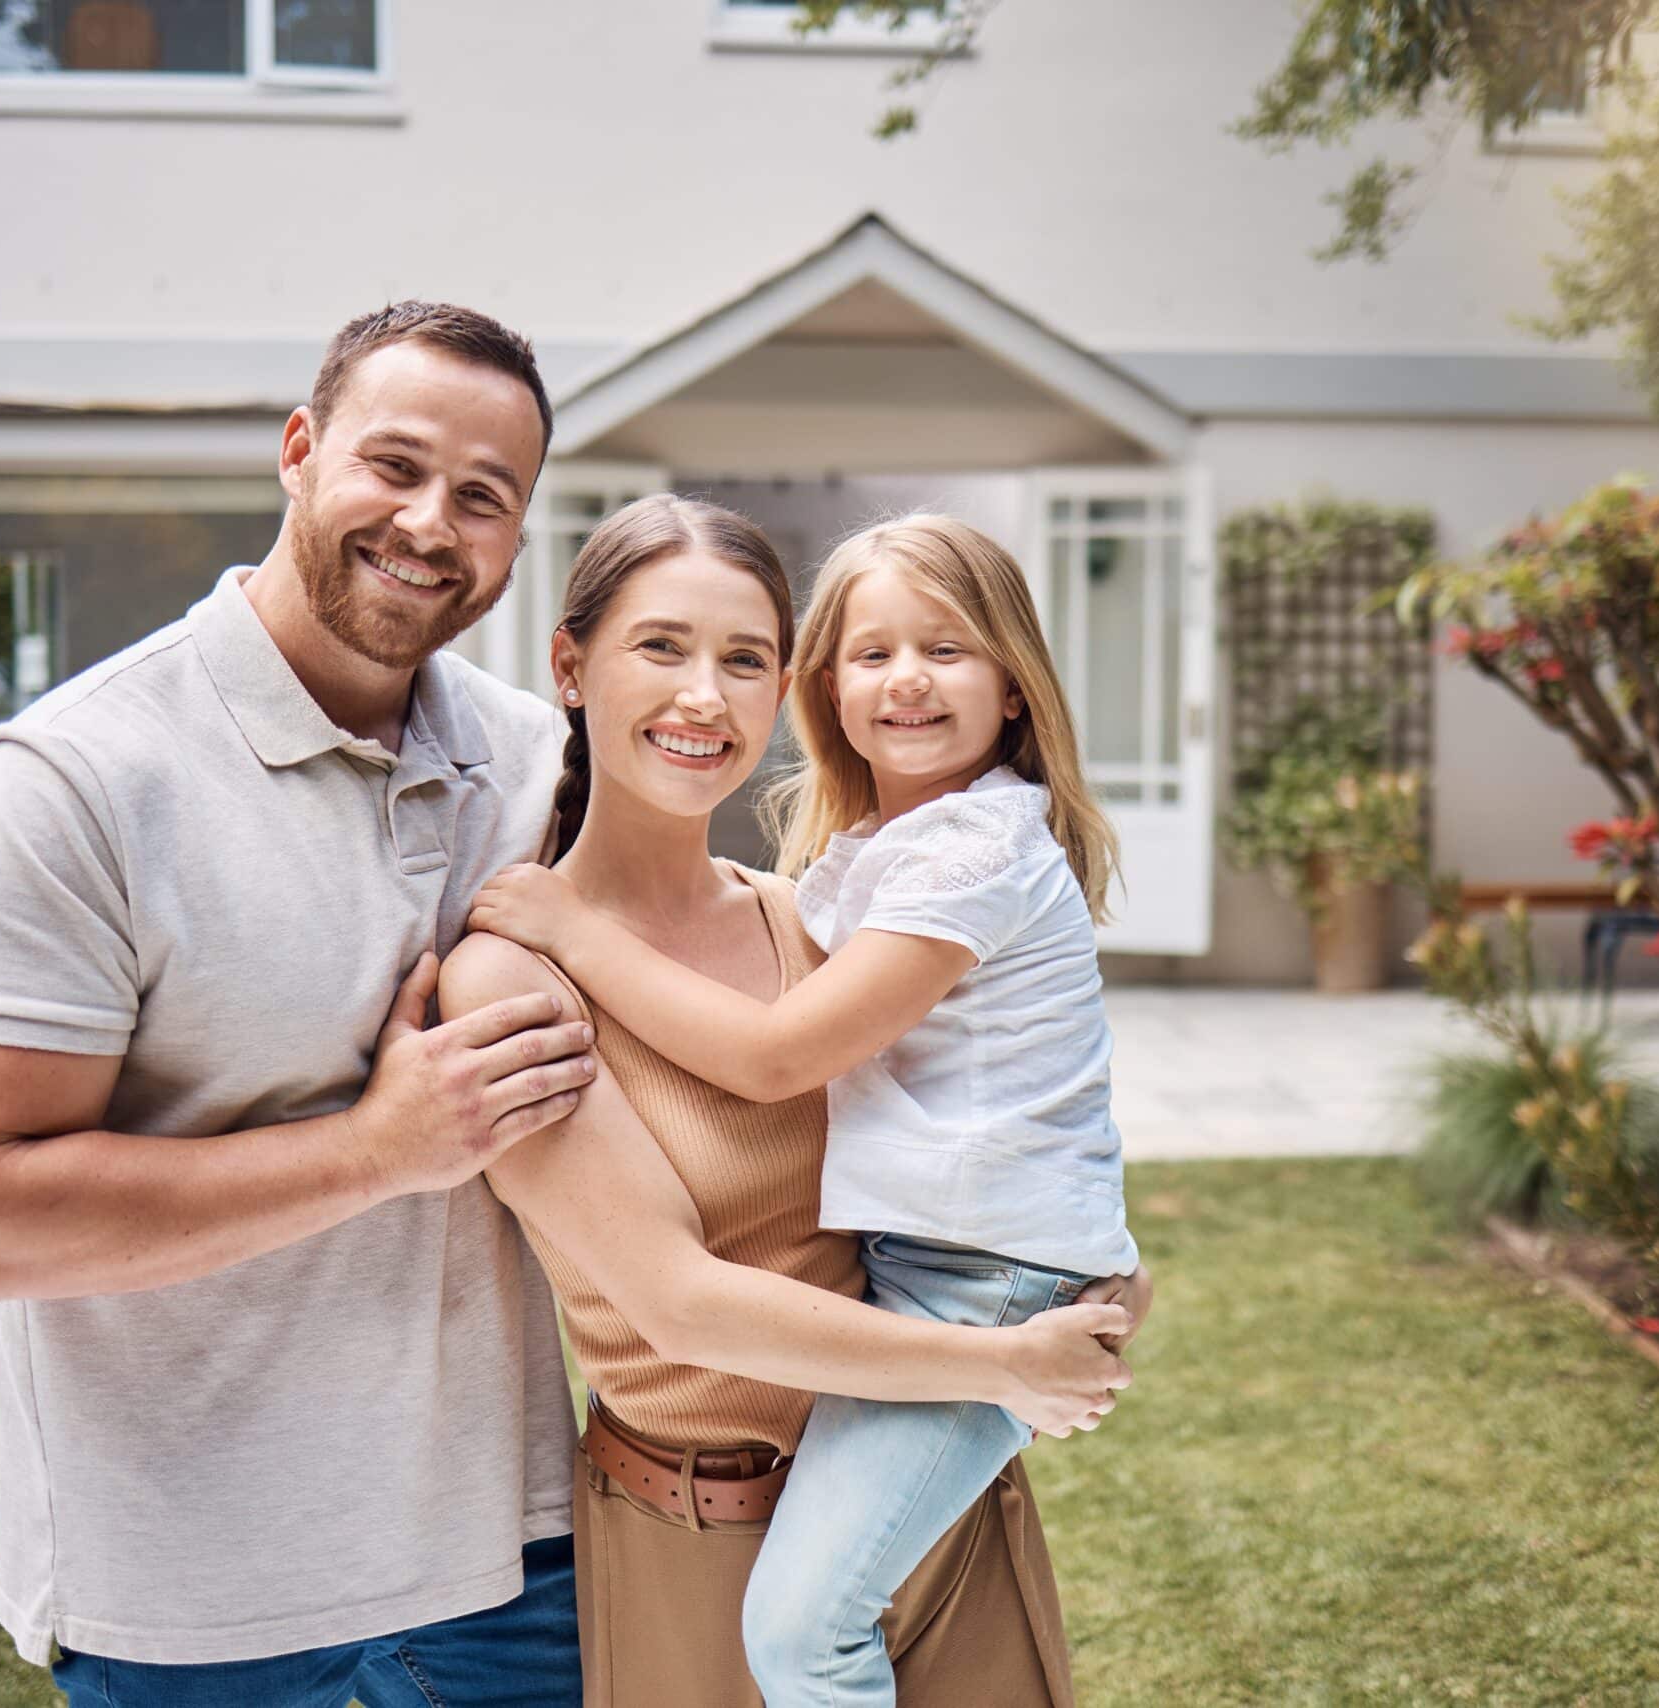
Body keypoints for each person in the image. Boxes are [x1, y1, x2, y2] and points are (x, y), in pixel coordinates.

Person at [0, 301, 604, 1705]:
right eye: (392, 467)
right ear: (298, 451)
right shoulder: (73, 784)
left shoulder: (537, 768)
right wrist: (377, 1150)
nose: (428, 524)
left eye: (481, 496)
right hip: (201, 1608)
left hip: (513, 1571)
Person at [438, 496, 1145, 1708]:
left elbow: (999, 1098)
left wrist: (1100, 1279)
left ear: (781, 691)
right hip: (699, 1537)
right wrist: (1004, 1360)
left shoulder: (802, 913)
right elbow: (679, 1304)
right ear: (570, 666)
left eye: (745, 658)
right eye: (661, 647)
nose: (705, 696)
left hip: (919, 1495)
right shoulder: (513, 968)